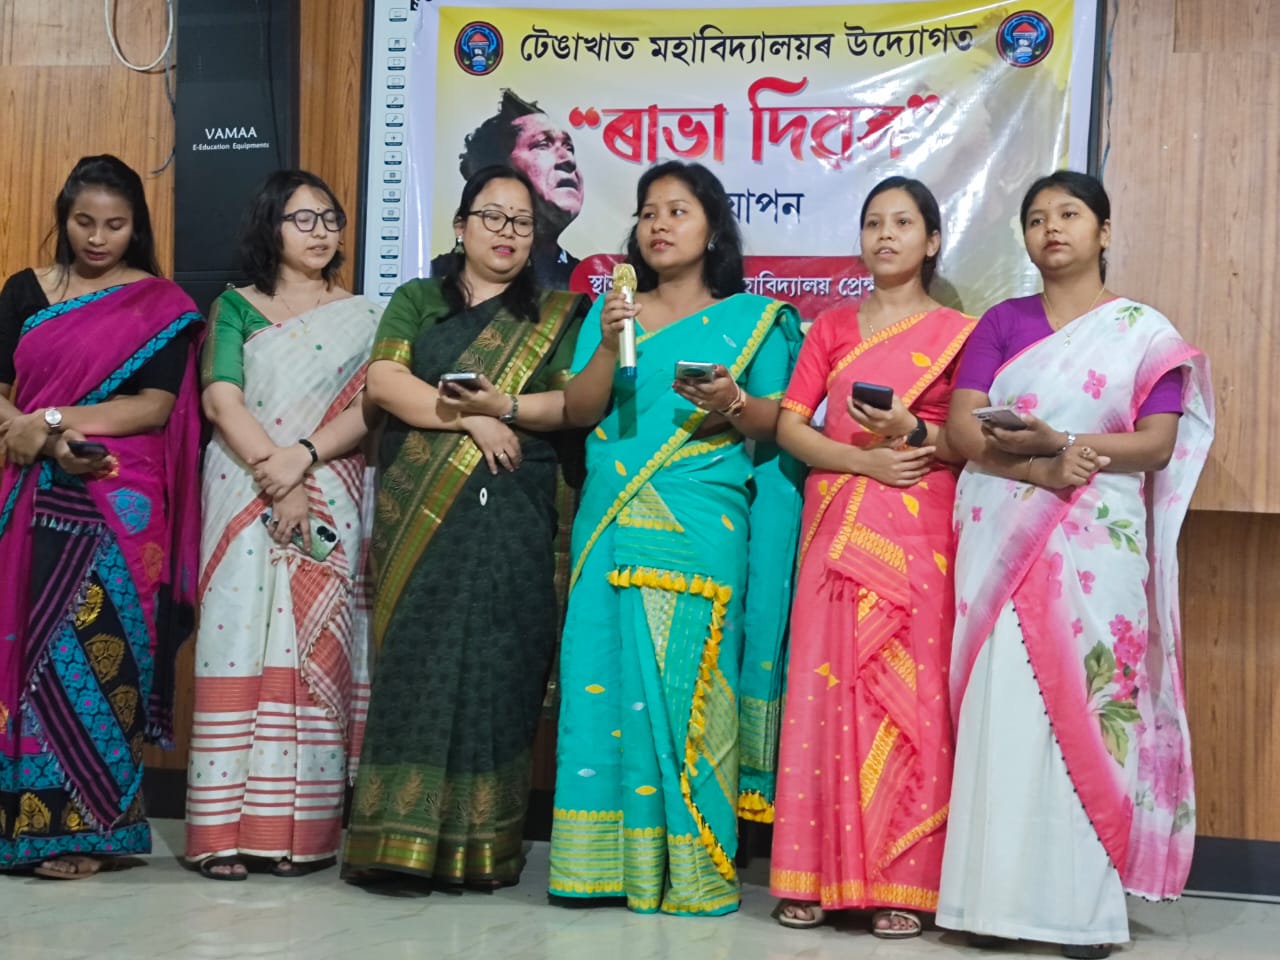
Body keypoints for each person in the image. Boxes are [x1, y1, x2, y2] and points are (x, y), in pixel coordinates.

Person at [936, 171, 1214, 958]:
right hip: (1002, 534)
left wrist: (1060, 443)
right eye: (1035, 218)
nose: (1051, 227)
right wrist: (1038, 466)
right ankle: (989, 907)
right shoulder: (1002, 322)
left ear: (1104, 232)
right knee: (1004, 712)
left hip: (1096, 550)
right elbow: (962, 431)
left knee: (1091, 719)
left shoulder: (1142, 331)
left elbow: (1155, 444)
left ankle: (1080, 917)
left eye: (1069, 213)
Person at [548, 160, 804, 916]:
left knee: (692, 686)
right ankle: (602, 868)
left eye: (678, 210)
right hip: (611, 516)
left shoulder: (755, 320)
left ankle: (694, 870)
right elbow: (580, 411)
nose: (659, 224)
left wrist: (733, 401)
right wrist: (608, 343)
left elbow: (780, 423)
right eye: (648, 211)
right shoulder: (610, 312)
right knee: (606, 677)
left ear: (714, 228)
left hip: (701, 516)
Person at [343, 165, 588, 889]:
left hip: (513, 510)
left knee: (497, 663)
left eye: (522, 221)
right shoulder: (418, 300)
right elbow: (386, 384)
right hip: (422, 514)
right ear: (460, 226)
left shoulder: (558, 315)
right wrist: (472, 419)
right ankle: (394, 845)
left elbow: (567, 407)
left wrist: (500, 409)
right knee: (417, 661)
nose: (507, 232)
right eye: (492, 216)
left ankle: (481, 849)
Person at [768, 177, 975, 938]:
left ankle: (904, 884)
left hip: (920, 527)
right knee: (824, 692)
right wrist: (863, 461)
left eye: (903, 223)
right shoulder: (830, 327)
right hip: (838, 519)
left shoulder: (961, 333)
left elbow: (968, 441)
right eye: (873, 223)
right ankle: (813, 875)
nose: (885, 235)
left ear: (932, 240)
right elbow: (791, 426)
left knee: (907, 698)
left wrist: (908, 434)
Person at [0, 155, 203, 878]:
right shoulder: (24, 291)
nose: (97, 238)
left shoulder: (159, 304)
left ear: (135, 227)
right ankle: (20, 824)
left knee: (97, 654)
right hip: (26, 490)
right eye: (84, 222)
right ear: (64, 218)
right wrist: (26, 429)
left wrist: (52, 422)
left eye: (114, 225)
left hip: (116, 501)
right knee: (21, 653)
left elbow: (153, 406)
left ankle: (87, 829)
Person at [184, 170, 381, 880]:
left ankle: (302, 837)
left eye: (330, 218)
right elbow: (221, 399)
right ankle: (220, 834)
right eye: (303, 219)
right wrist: (278, 473)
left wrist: (302, 462)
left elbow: (370, 407)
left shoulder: (366, 315)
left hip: (329, 487)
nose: (321, 231)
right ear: (271, 226)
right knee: (237, 643)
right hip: (245, 489)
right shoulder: (238, 307)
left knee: (314, 647)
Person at [432, 89, 584, 287]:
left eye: (569, 147)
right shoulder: (432, 285)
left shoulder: (584, 284)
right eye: (543, 145)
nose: (568, 159)